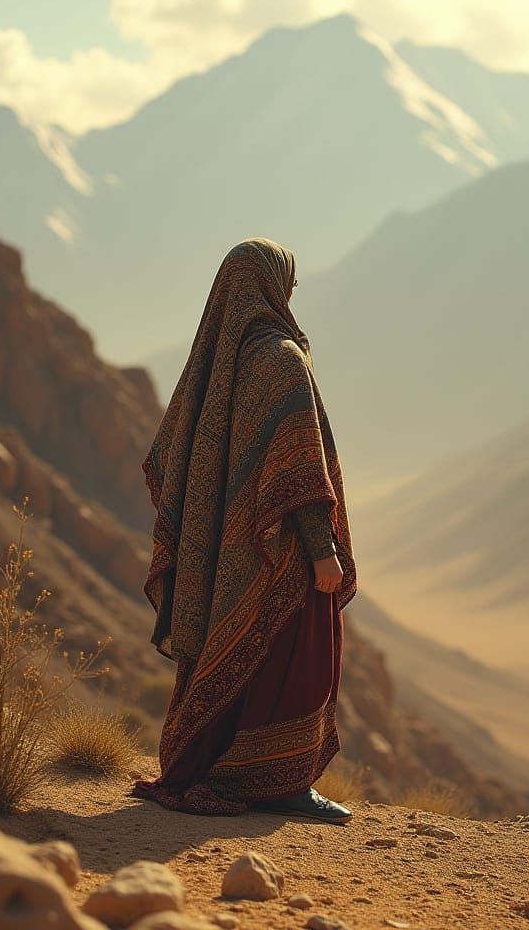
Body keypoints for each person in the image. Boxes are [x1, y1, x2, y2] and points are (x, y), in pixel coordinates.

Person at [130, 238, 358, 823]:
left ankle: (219, 767)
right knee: (300, 662)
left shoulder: (218, 365)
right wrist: (323, 550)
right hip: (280, 550)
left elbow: (181, 458)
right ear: (270, 286)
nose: (293, 292)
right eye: (290, 282)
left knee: (237, 658)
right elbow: (298, 467)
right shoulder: (282, 359)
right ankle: (281, 782)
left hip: (223, 556)